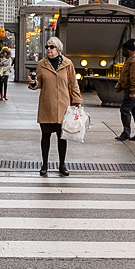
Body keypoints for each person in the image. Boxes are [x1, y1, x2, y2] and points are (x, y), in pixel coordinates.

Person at [28, 36, 81, 176]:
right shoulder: (41, 64)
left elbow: (73, 83)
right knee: (45, 136)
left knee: (61, 137)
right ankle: (44, 164)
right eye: (47, 47)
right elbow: (38, 83)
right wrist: (33, 83)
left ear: (59, 49)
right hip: (47, 105)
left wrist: (77, 100)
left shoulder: (67, 63)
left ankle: (62, 164)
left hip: (63, 106)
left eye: (52, 47)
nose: (49, 50)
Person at [114, 38, 135, 142]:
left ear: (130, 50)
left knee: (124, 109)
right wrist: (119, 86)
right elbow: (125, 76)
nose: (123, 52)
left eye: (124, 50)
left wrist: (133, 92)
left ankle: (126, 133)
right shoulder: (130, 60)